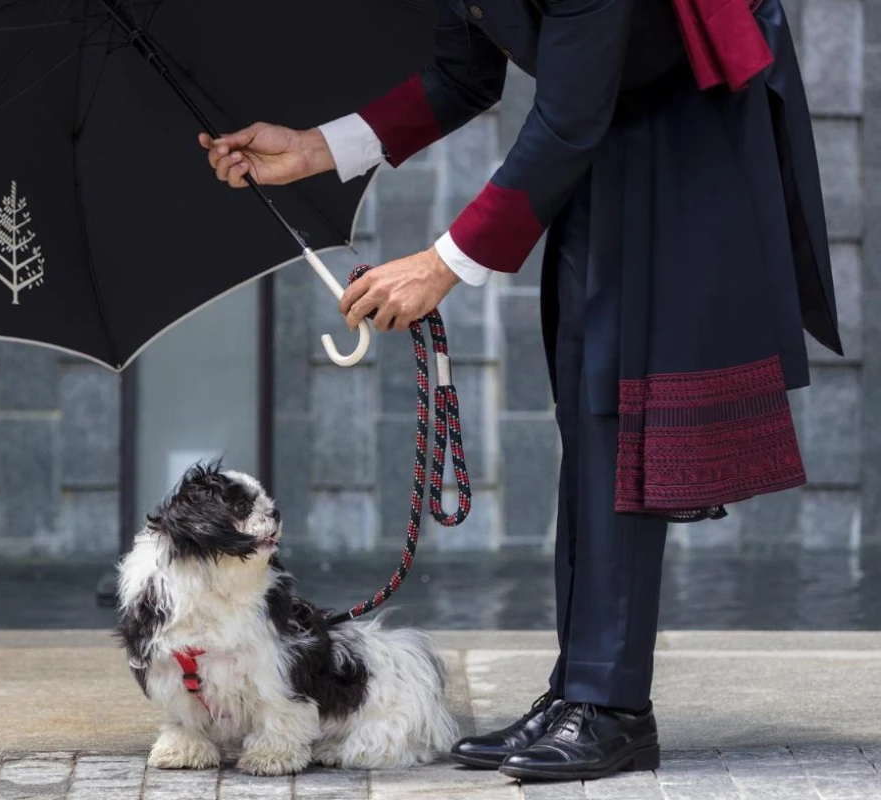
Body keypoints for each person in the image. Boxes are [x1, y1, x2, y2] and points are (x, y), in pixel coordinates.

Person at [200, 0, 840, 784]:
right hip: (607, 136)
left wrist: (441, 265)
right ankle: (582, 688)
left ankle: (612, 708)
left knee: (619, 407)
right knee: (585, 400)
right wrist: (312, 149)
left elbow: (568, 117)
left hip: (685, 133)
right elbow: (462, 73)